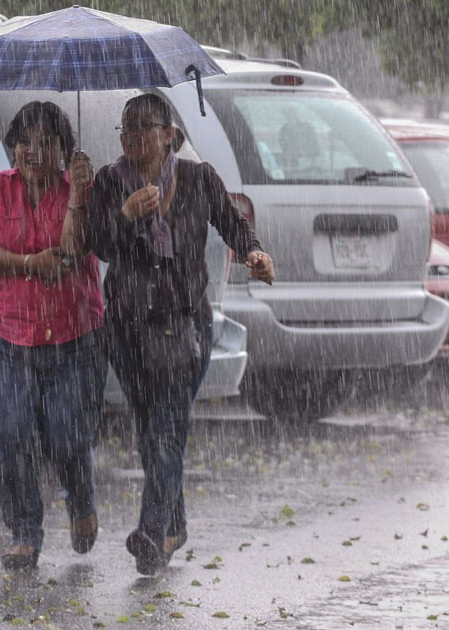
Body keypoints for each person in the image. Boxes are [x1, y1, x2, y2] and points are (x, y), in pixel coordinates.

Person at [64, 93, 275, 575]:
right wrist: (126, 214)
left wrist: (255, 254)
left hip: (184, 323)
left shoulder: (199, 179)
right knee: (152, 429)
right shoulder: (108, 183)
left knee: (166, 430)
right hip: (126, 328)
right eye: (126, 128)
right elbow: (96, 247)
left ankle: (152, 531)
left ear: (169, 135)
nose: (134, 136)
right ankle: (175, 526)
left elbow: (233, 227)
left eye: (145, 127)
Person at [0, 101, 105, 570]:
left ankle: (81, 499)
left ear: (65, 150)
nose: (34, 151)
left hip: (73, 336)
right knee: (8, 435)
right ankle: (25, 531)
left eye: (47, 142)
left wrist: (77, 197)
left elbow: (72, 249)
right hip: (6, 336)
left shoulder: (80, 191)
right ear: (12, 148)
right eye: (25, 141)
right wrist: (30, 265)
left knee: (67, 437)